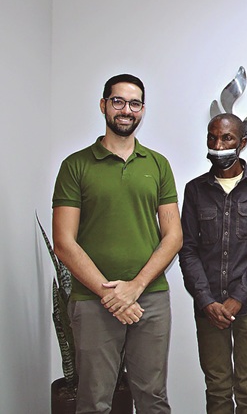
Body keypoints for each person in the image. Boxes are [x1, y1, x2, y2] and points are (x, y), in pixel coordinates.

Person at [52, 74, 182, 413]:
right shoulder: (75, 166)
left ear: (143, 110)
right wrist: (110, 294)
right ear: (103, 105)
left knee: (153, 398)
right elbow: (64, 243)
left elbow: (173, 236)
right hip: (92, 302)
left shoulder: (157, 164)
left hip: (149, 299)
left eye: (134, 103)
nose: (127, 110)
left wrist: (135, 288)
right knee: (94, 402)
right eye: (118, 101)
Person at [179, 113, 247, 413]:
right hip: (208, 306)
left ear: (243, 142)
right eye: (212, 137)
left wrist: (238, 298)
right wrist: (205, 300)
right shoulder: (195, 189)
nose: (218, 144)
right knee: (217, 388)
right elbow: (187, 250)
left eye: (226, 138)